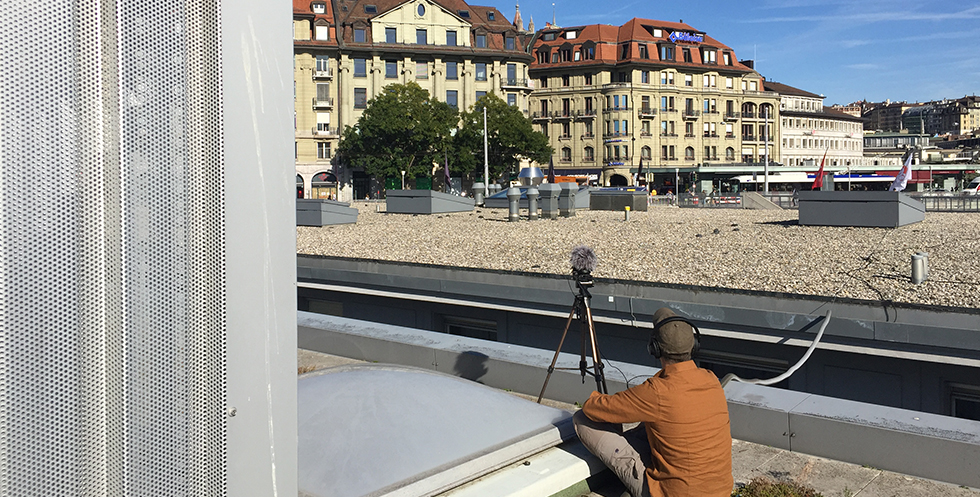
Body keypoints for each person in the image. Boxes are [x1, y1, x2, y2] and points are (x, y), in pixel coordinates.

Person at [572, 308, 733, 497]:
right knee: (654, 424)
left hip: (672, 494)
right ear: (694, 345)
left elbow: (594, 409)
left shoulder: (656, 391)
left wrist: (595, 401)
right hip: (720, 490)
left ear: (654, 348)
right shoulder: (711, 379)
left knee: (581, 419)